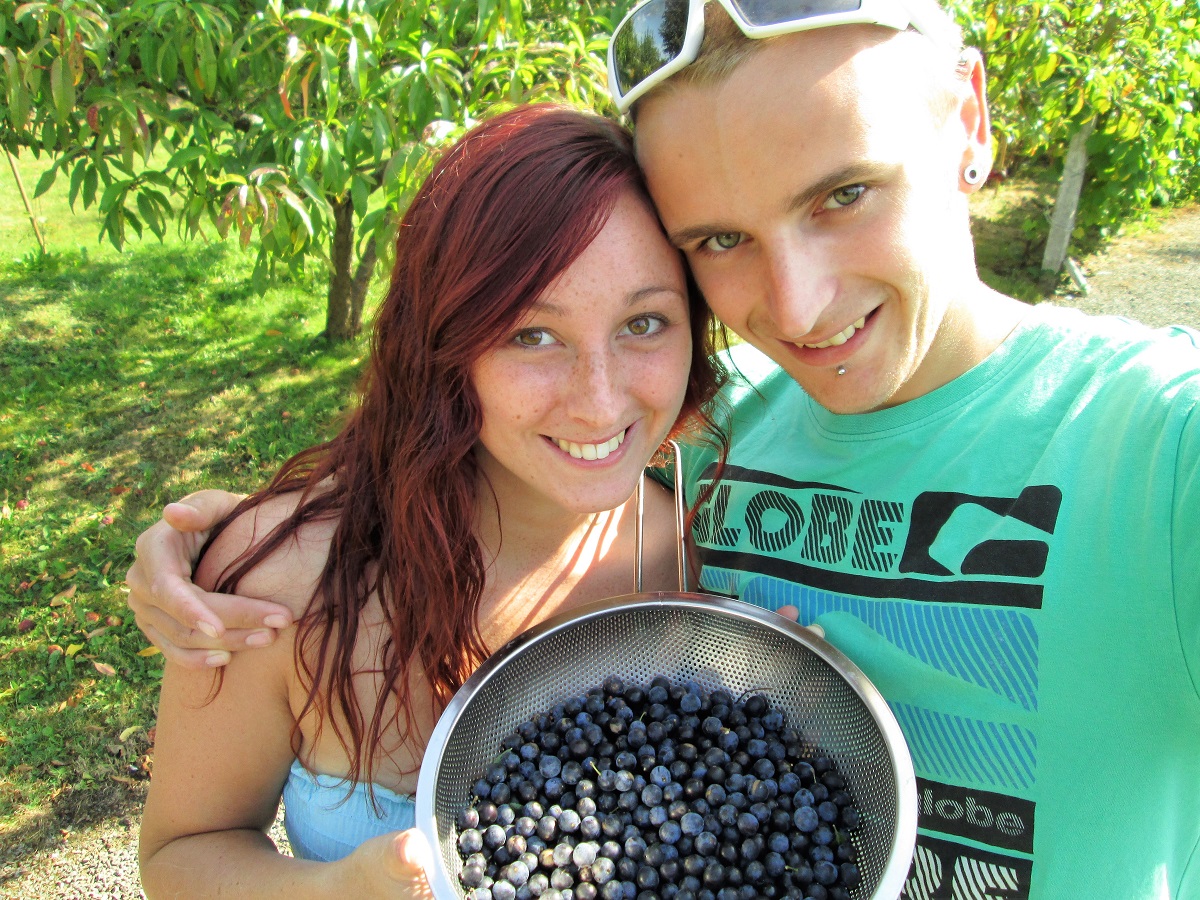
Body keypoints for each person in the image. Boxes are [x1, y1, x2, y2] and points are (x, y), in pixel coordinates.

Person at [130, 1, 1200, 896]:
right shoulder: (720, 435)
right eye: (723, 240)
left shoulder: (1155, 443)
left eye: (845, 194)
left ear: (970, 120)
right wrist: (229, 545)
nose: (799, 304)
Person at [136, 102, 728, 896]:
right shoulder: (286, 585)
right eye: (532, 334)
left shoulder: (710, 547)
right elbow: (180, 853)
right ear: (445, 343)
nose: (599, 400)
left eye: (645, 321)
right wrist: (336, 892)